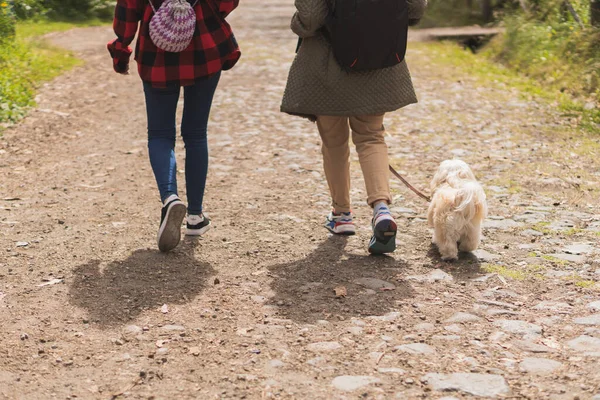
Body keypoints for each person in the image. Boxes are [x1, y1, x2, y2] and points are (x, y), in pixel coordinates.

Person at [281, 0, 427, 255]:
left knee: (334, 142)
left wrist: (297, 24)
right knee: (371, 137)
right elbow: (416, 8)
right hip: (378, 62)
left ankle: (342, 215)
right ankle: (381, 208)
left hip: (327, 66)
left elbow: (312, 18)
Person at [108, 0, 240, 252]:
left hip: (156, 54)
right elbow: (226, 4)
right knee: (195, 134)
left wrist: (121, 49)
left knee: (159, 134)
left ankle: (170, 198)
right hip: (204, 48)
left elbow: (126, 14)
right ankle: (195, 217)